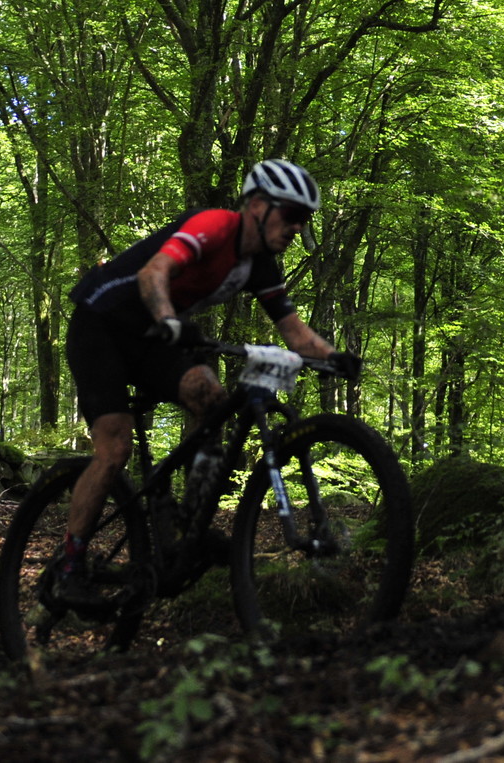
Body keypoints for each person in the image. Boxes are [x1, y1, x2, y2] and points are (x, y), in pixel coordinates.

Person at [58, 159, 357, 602]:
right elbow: (154, 272)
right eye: (292, 214)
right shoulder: (215, 226)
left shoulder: (260, 265)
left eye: (304, 220)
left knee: (211, 397)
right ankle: (70, 564)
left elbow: (295, 334)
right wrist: (168, 319)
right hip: (101, 325)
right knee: (115, 447)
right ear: (258, 206)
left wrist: (335, 358)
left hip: (151, 336)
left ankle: (188, 524)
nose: (298, 228)